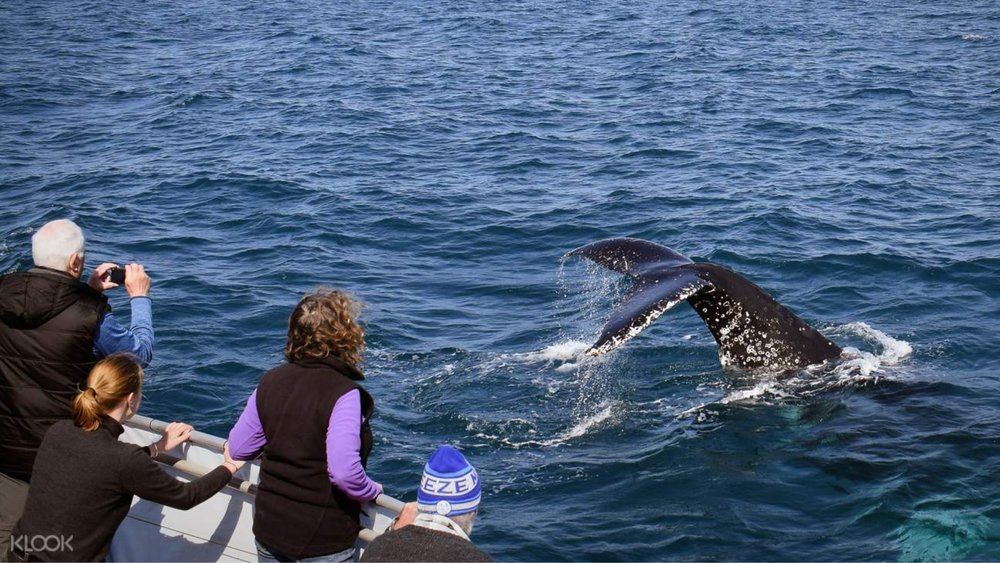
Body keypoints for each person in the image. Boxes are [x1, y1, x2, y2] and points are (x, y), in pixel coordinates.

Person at [0, 218, 155, 556]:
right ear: (75, 262)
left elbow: (46, 317)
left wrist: (88, 290)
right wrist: (139, 298)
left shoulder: (4, 293)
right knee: (69, 547)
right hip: (63, 456)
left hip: (7, 452)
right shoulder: (89, 316)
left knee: (8, 545)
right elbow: (138, 356)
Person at [5, 353, 243, 562]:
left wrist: (157, 447)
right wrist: (230, 466)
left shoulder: (58, 430)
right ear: (131, 400)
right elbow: (185, 496)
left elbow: (103, 463)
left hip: (17, 553)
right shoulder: (122, 459)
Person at [227, 289, 382, 562]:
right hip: (323, 539)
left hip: (269, 528)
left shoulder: (270, 381)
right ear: (347, 338)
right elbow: (344, 473)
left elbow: (239, 447)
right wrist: (372, 490)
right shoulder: (345, 394)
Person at [361, 445, 491, 562]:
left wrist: (394, 533)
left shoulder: (377, 549)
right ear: (472, 513)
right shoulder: (477, 560)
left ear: (420, 505)